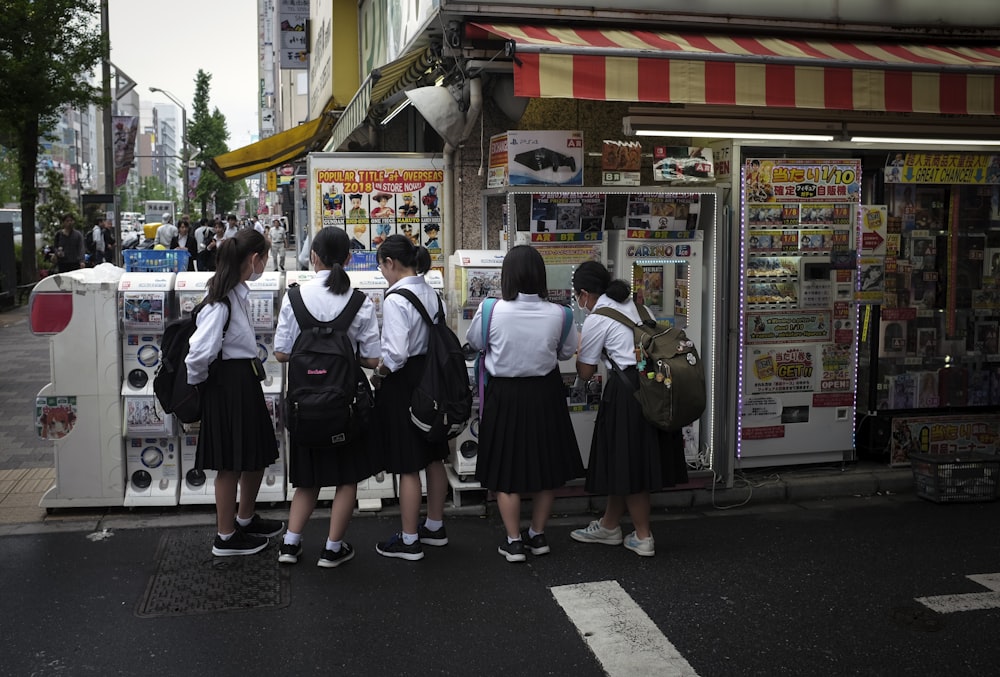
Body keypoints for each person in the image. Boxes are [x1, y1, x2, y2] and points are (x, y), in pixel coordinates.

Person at [465, 245, 583, 563]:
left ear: (508, 276)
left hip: (504, 395)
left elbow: (476, 343)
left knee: (506, 469)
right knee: (546, 467)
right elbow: (565, 352)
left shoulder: (490, 309)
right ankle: (538, 534)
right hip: (545, 394)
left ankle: (514, 540)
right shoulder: (561, 313)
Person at [274, 227, 381, 567]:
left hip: (304, 406)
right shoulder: (360, 301)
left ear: (314, 257)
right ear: (349, 259)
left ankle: (290, 544)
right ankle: (333, 549)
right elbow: (373, 358)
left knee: (308, 479)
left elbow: (280, 353)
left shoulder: (294, 297)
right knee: (345, 478)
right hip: (344, 407)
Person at [569, 260, 688, 558]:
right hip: (655, 387)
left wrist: (579, 349)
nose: (578, 302)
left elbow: (585, 371)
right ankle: (610, 526)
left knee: (631, 463)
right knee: (624, 461)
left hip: (627, 393)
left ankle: (643, 535)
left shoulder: (599, 317)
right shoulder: (639, 307)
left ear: (585, 293)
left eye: (577, 296)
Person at [185, 228, 284, 556]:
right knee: (230, 464)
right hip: (228, 387)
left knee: (254, 456)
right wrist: (202, 388)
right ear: (254, 259)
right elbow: (198, 354)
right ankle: (225, 536)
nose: (266, 264)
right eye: (265, 258)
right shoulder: (222, 302)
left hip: (241, 384)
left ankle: (244, 519)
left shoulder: (236, 295)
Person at [370, 234, 450, 561]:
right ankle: (434, 526)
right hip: (432, 380)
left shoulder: (395, 298)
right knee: (433, 455)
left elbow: (396, 354)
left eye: (382, 268)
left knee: (407, 464)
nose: (382, 275)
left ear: (391, 263)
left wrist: (380, 373)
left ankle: (409, 540)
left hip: (405, 384)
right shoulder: (431, 292)